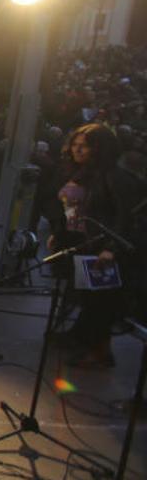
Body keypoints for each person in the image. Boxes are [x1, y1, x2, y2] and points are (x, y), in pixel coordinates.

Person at [48, 123, 141, 367]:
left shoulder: (115, 177)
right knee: (87, 297)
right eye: (75, 145)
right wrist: (59, 234)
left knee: (101, 302)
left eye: (85, 147)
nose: (77, 150)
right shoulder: (80, 172)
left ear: (100, 149)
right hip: (81, 242)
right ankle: (80, 336)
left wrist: (112, 248)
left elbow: (125, 217)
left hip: (102, 247)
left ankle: (100, 352)